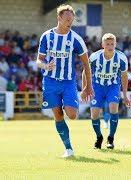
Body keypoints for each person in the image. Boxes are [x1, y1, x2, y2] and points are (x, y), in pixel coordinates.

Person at [36, 4, 93, 158]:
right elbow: (38, 61)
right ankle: (68, 149)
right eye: (67, 19)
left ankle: (68, 145)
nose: (69, 22)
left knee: (72, 114)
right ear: (59, 18)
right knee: (58, 115)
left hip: (68, 82)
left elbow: (86, 64)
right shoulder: (46, 36)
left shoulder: (76, 39)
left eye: (71, 19)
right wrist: (45, 65)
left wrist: (88, 86)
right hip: (50, 81)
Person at [88, 33, 131, 149]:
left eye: (112, 44)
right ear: (102, 45)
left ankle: (111, 138)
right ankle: (99, 137)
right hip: (97, 87)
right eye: (107, 44)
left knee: (113, 108)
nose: (110, 46)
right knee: (95, 114)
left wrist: (125, 95)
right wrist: (86, 88)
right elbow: (85, 72)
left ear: (115, 44)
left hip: (113, 86)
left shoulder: (121, 58)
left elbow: (124, 76)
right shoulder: (94, 57)